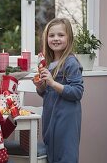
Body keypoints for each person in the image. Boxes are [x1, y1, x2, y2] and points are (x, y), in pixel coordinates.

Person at [33, 18, 84, 163]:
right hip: (50, 116)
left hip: (66, 118)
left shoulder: (71, 63)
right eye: (52, 35)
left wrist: (52, 83)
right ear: (46, 38)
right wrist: (41, 87)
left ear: (69, 38)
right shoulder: (48, 64)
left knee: (66, 155)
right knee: (52, 154)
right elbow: (48, 93)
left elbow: (77, 92)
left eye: (61, 35)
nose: (56, 39)